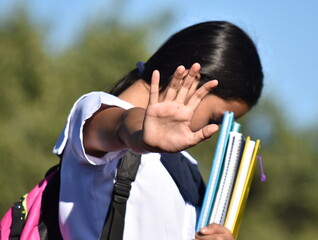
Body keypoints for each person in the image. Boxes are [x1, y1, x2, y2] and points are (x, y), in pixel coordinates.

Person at [53, 21, 263, 240]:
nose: (212, 132)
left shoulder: (186, 168)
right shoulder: (95, 110)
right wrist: (140, 134)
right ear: (193, 80)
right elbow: (120, 123)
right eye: (216, 119)